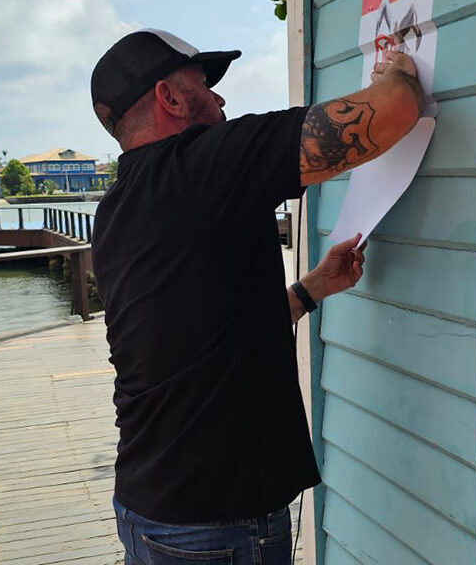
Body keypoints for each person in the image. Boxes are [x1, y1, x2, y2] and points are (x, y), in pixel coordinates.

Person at [90, 28, 423, 565]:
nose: (220, 99)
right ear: (169, 98)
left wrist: (312, 288)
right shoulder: (202, 164)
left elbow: (201, 331)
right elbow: (394, 111)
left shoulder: (118, 206)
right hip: (214, 526)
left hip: (152, 506)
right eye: (203, 84)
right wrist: (398, 68)